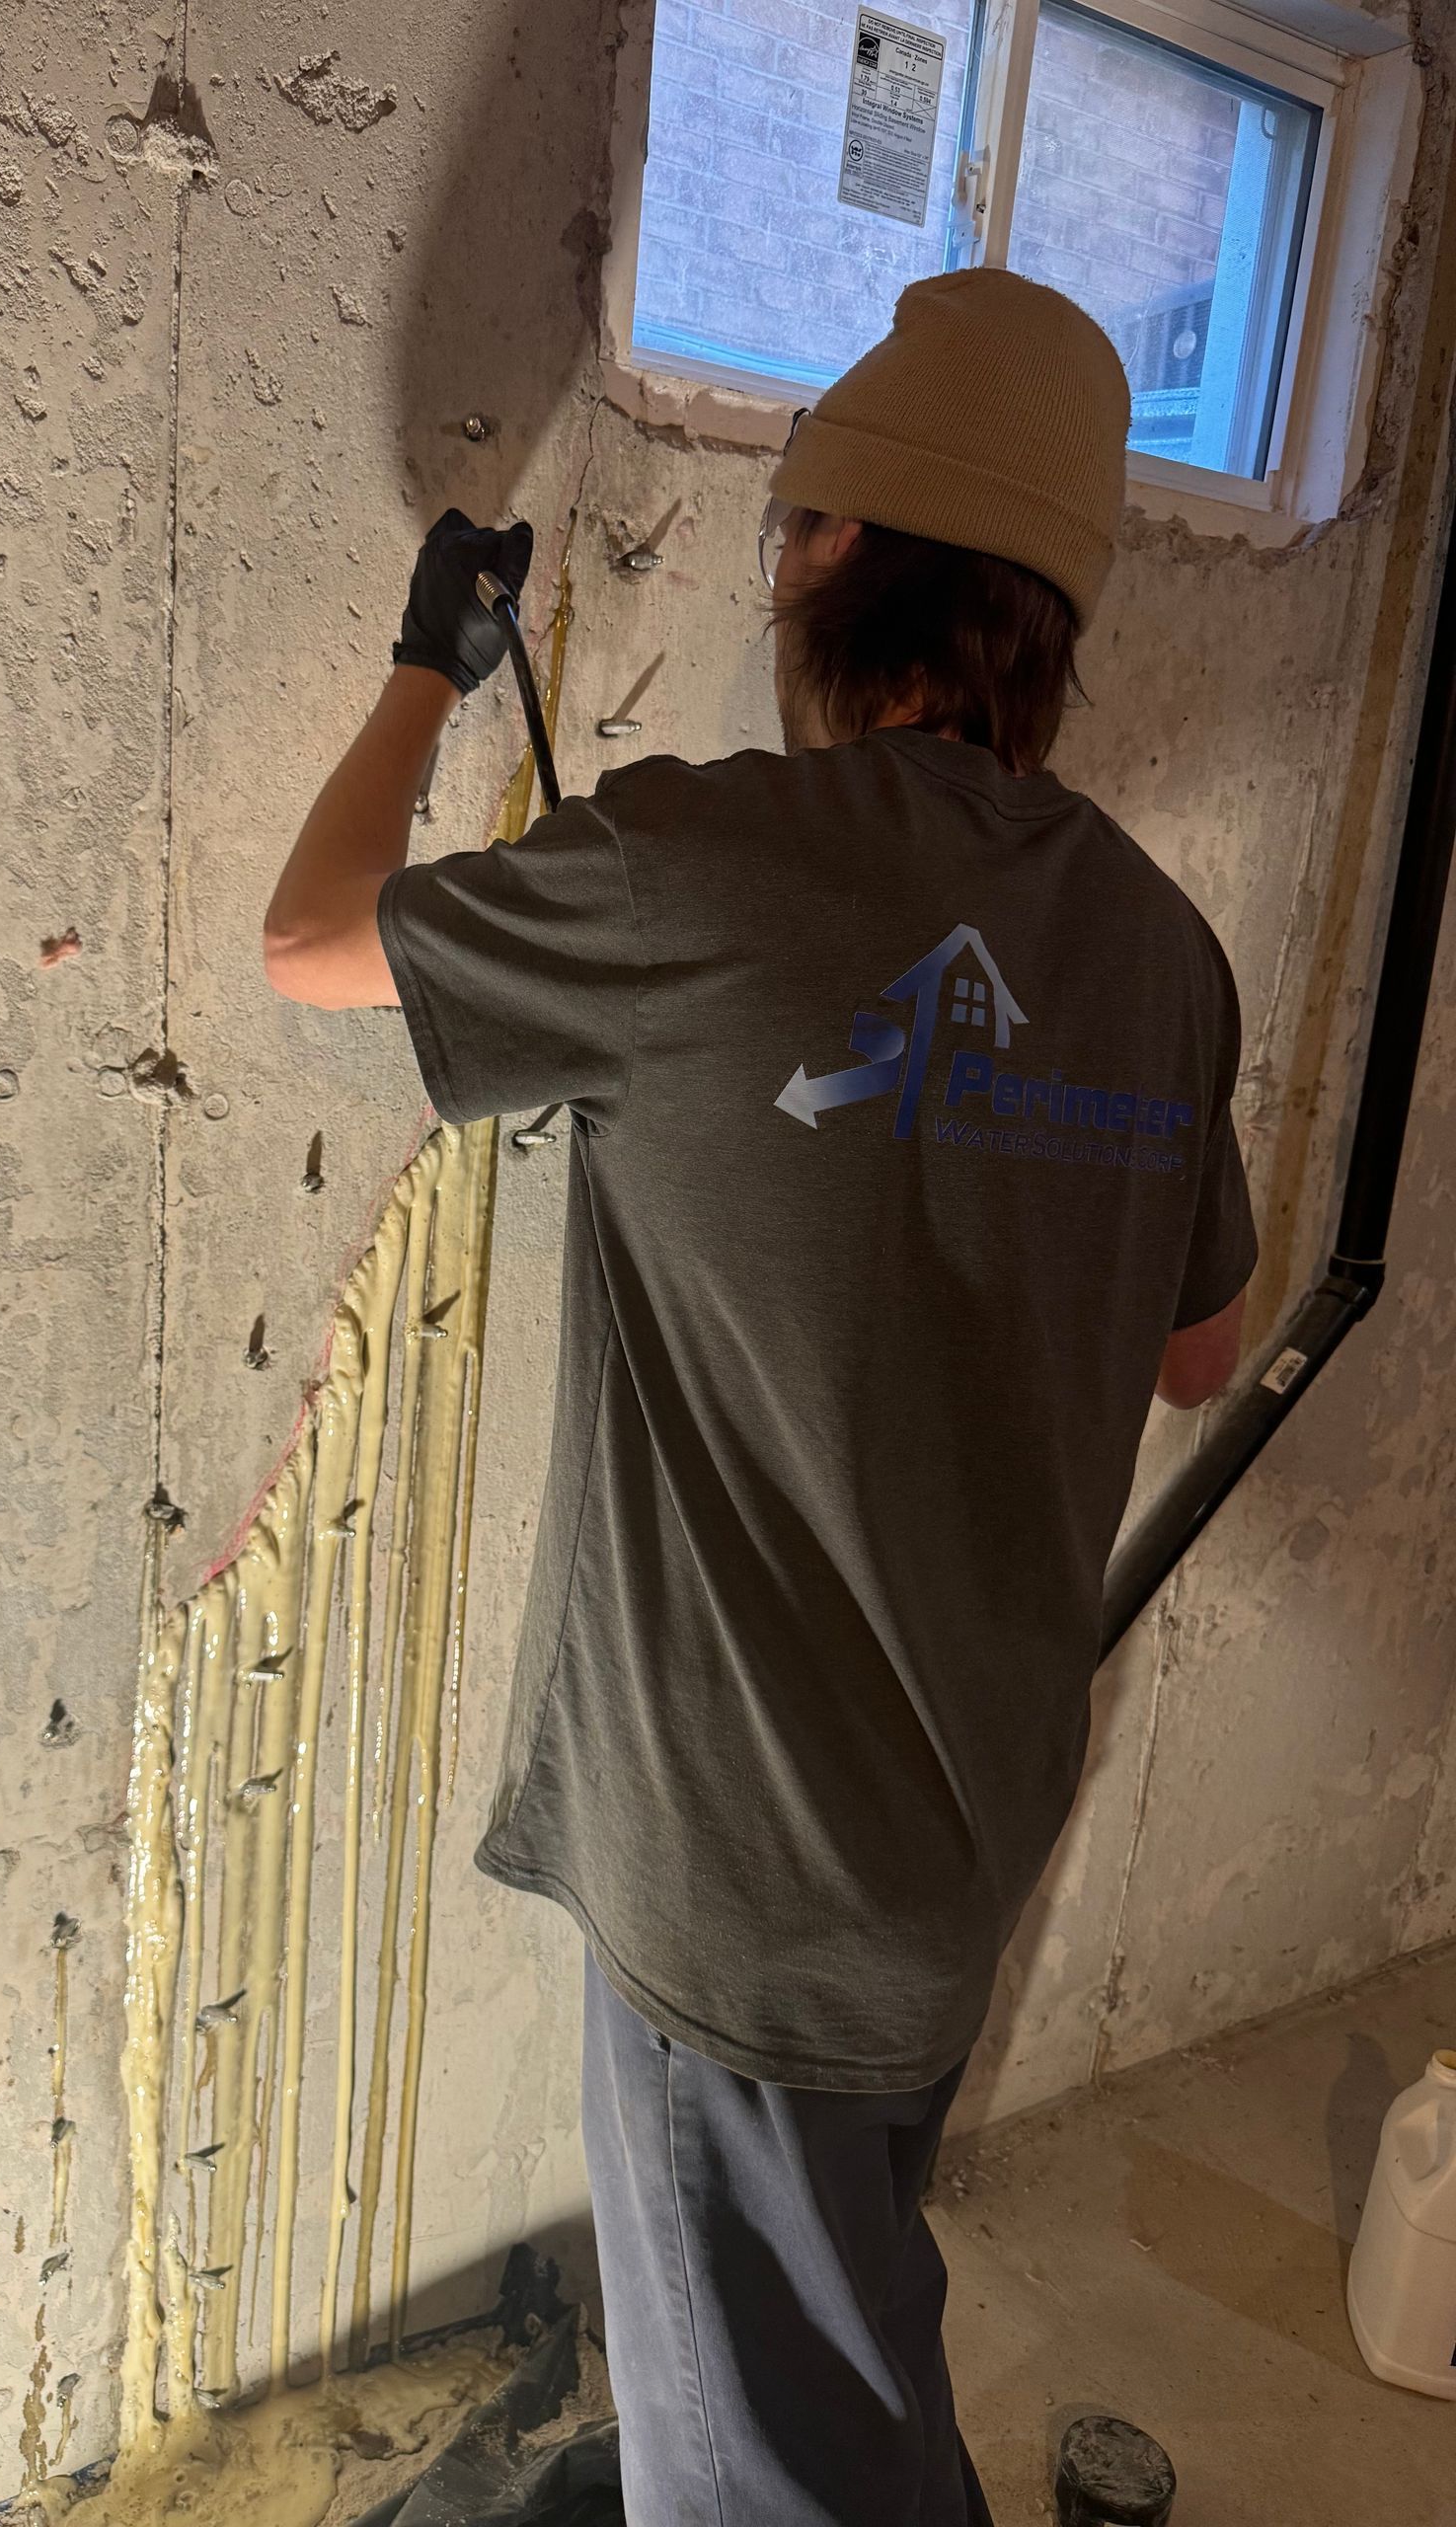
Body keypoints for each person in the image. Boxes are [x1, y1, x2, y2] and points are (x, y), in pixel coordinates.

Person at [263, 268, 1256, 2527]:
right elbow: (1196, 1342)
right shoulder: (1162, 947)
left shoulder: (702, 865)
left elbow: (312, 935)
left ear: (830, 558)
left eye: (786, 530)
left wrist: (431, 656)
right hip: (968, 1821)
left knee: (769, 2462)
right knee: (830, 2317)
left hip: (742, 1863)